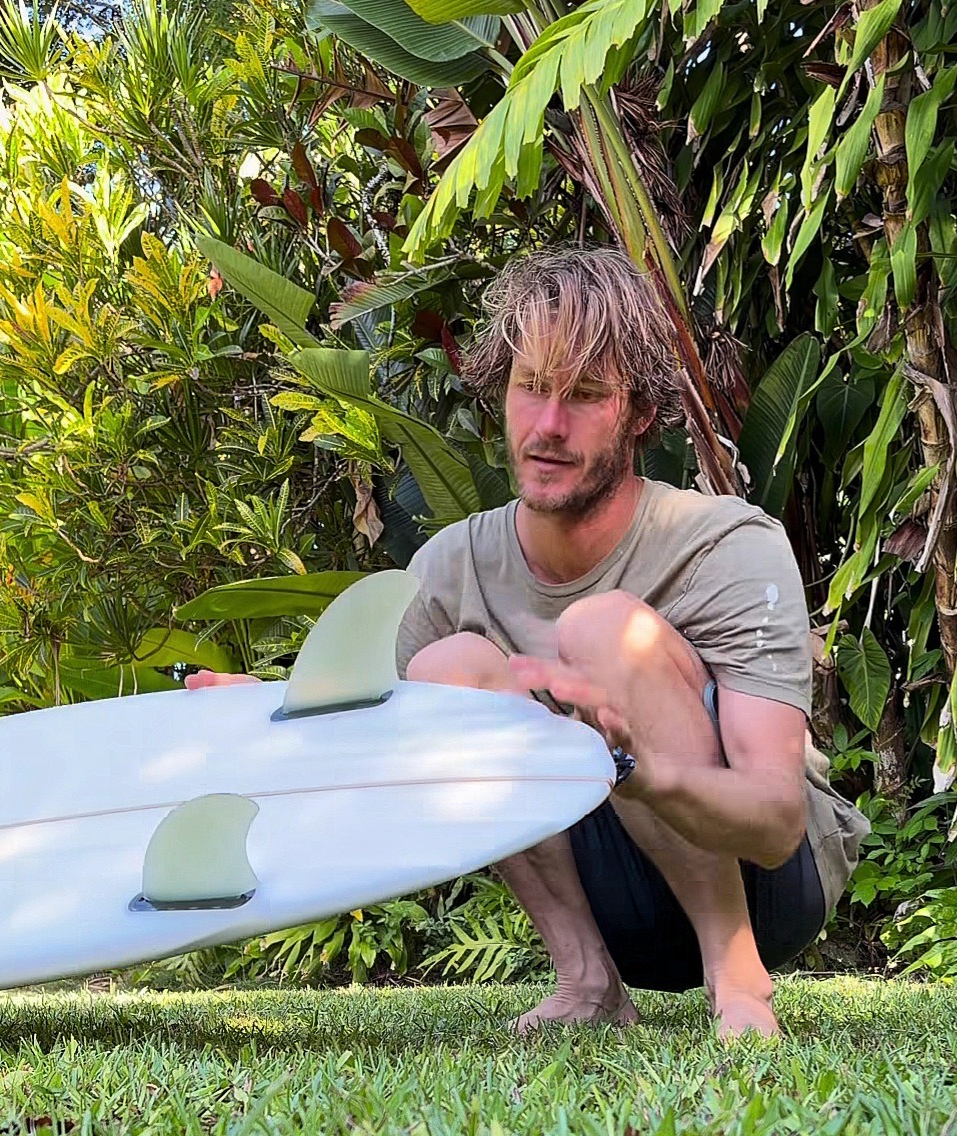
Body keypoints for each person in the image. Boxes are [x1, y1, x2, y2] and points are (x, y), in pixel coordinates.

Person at [189, 246, 869, 1039]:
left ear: (638, 413)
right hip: (617, 900)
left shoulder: (723, 544)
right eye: (531, 387)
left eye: (584, 395)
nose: (548, 426)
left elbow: (775, 822)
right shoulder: (452, 567)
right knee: (446, 670)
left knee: (601, 630)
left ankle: (737, 979)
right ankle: (587, 980)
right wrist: (267, 712)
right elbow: (370, 735)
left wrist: (649, 775)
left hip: (765, 882)